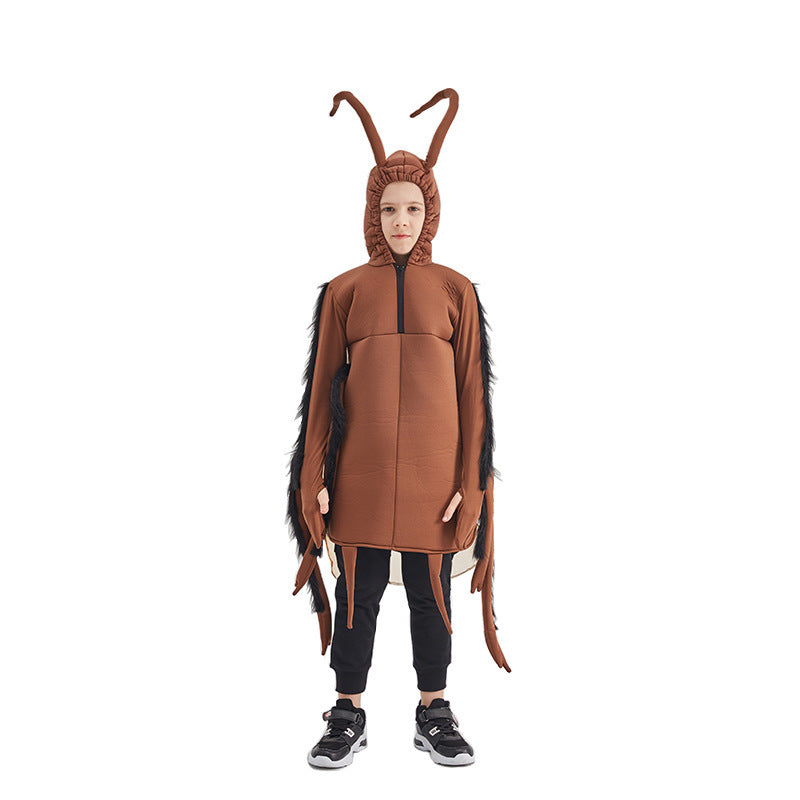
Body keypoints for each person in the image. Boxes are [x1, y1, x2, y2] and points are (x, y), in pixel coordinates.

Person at [286, 89, 510, 769]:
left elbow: (473, 396)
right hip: (359, 474)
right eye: (388, 209)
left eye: (413, 208)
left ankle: (433, 708)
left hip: (435, 482)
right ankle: (346, 710)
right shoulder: (345, 291)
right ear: (371, 214)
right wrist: (312, 479)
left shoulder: (457, 290)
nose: (401, 221)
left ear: (430, 212)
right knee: (355, 597)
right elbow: (320, 396)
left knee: (430, 596)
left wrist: (471, 485)